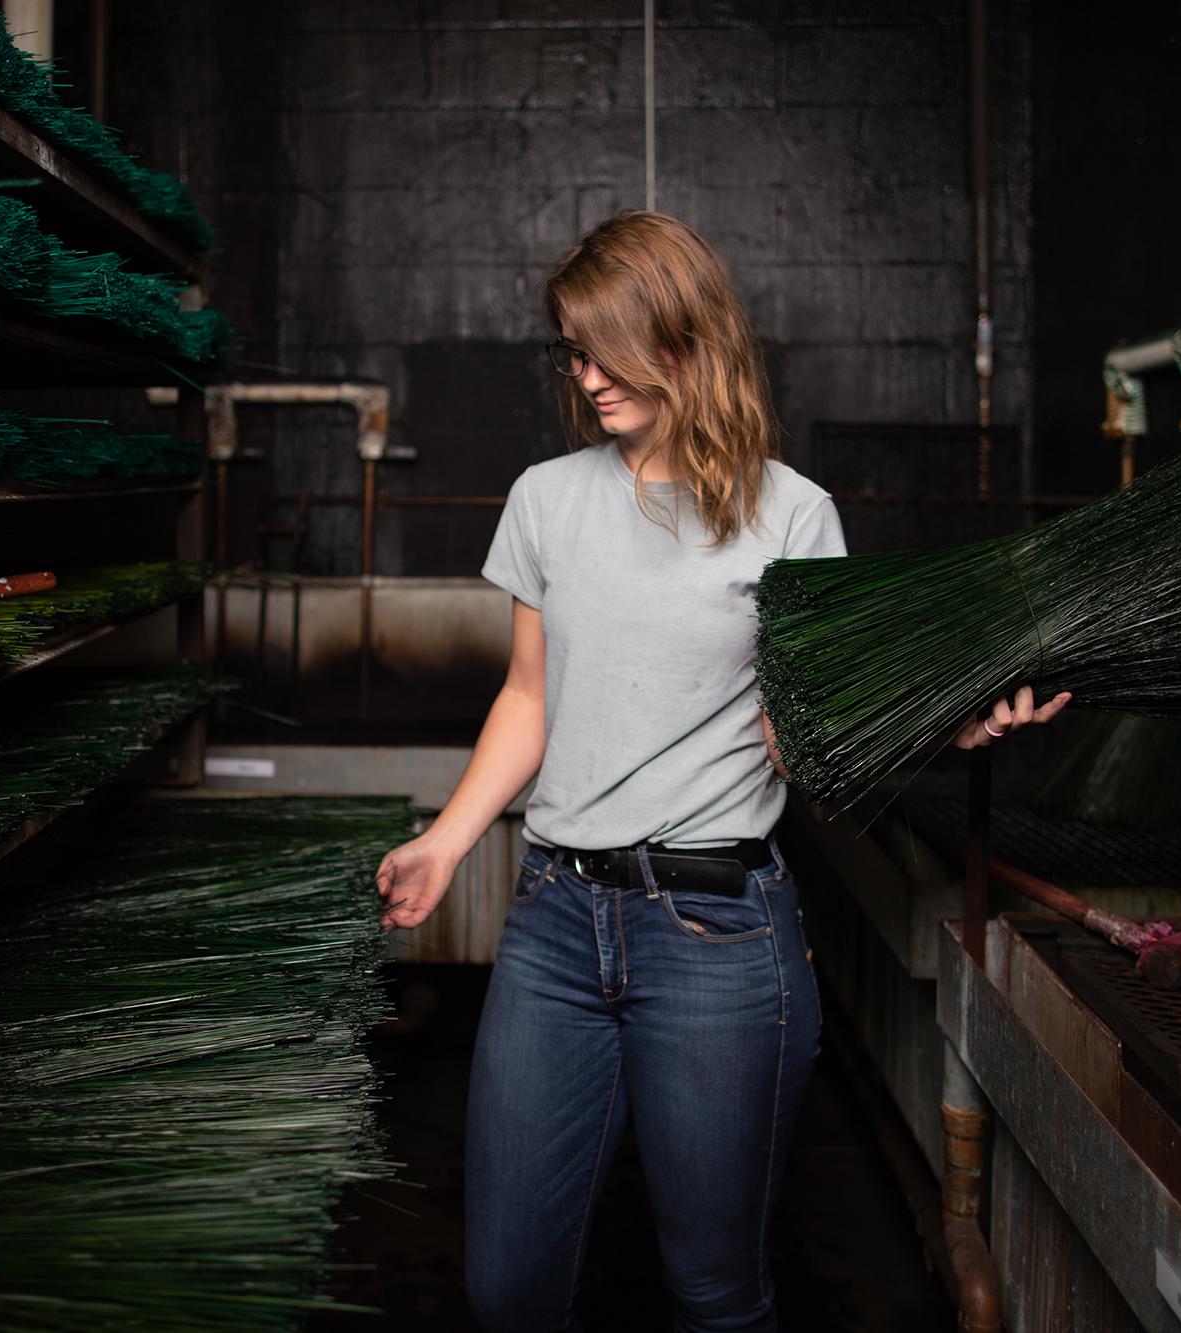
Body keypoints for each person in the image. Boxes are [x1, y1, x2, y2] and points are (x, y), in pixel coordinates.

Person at [373, 211, 1068, 1332]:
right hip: (554, 921)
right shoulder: (545, 499)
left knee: (711, 1291)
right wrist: (446, 840)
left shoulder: (789, 514)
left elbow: (813, 730)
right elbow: (527, 699)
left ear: (685, 339)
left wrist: (949, 729)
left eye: (604, 348)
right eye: (572, 350)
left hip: (715, 938)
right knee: (505, 1287)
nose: (585, 375)